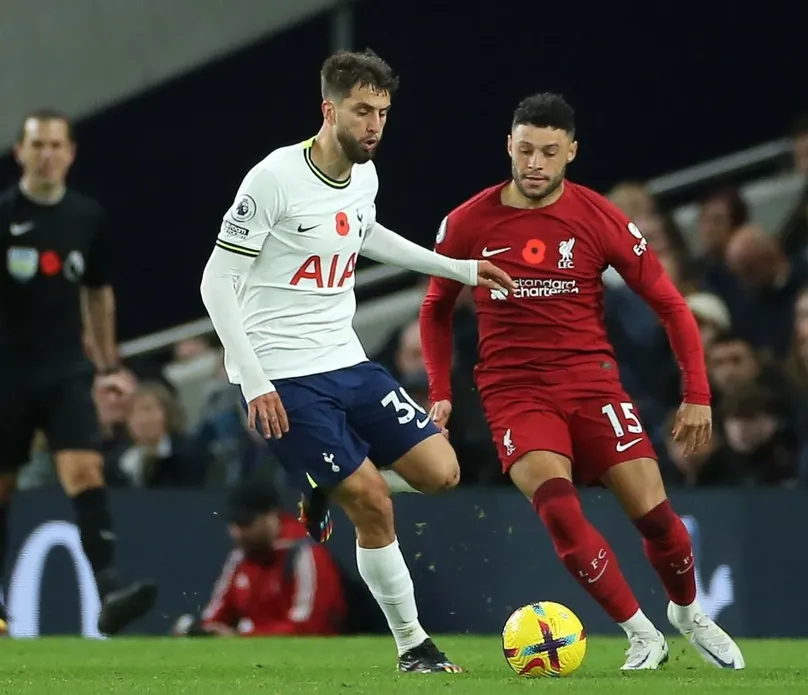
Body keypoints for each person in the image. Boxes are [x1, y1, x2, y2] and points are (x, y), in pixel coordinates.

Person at [198, 49, 512, 672]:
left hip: (346, 359)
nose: (374, 125)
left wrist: (458, 269)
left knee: (442, 472)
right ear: (329, 109)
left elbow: (363, 232)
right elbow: (215, 280)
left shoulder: (364, 175)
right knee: (373, 499)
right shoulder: (274, 178)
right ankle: (414, 646)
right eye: (362, 111)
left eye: (384, 113)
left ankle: (324, 485)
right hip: (283, 373)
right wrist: (254, 379)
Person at [419, 93, 745, 671]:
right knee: (561, 511)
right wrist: (440, 391)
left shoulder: (599, 217)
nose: (535, 164)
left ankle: (688, 613)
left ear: (571, 150)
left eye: (549, 151)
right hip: (514, 391)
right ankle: (641, 634)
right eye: (525, 150)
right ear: (508, 147)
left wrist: (697, 393)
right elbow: (435, 307)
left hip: (592, 385)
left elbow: (671, 305)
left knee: (659, 522)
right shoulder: (468, 222)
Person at [0, 110, 157, 636]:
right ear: (20, 152)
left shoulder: (86, 217)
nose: (46, 154)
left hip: (65, 367)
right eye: (36, 145)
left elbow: (97, 293)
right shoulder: (2, 215)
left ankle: (110, 588)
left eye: (55, 145)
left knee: (85, 471)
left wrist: (108, 365)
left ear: (70, 153)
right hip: (7, 370)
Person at [172, 480, 347, 637]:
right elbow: (215, 616)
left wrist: (242, 636)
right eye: (234, 524)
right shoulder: (239, 557)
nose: (238, 533)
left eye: (246, 523)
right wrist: (204, 632)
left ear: (272, 515)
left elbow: (308, 627)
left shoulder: (303, 552)